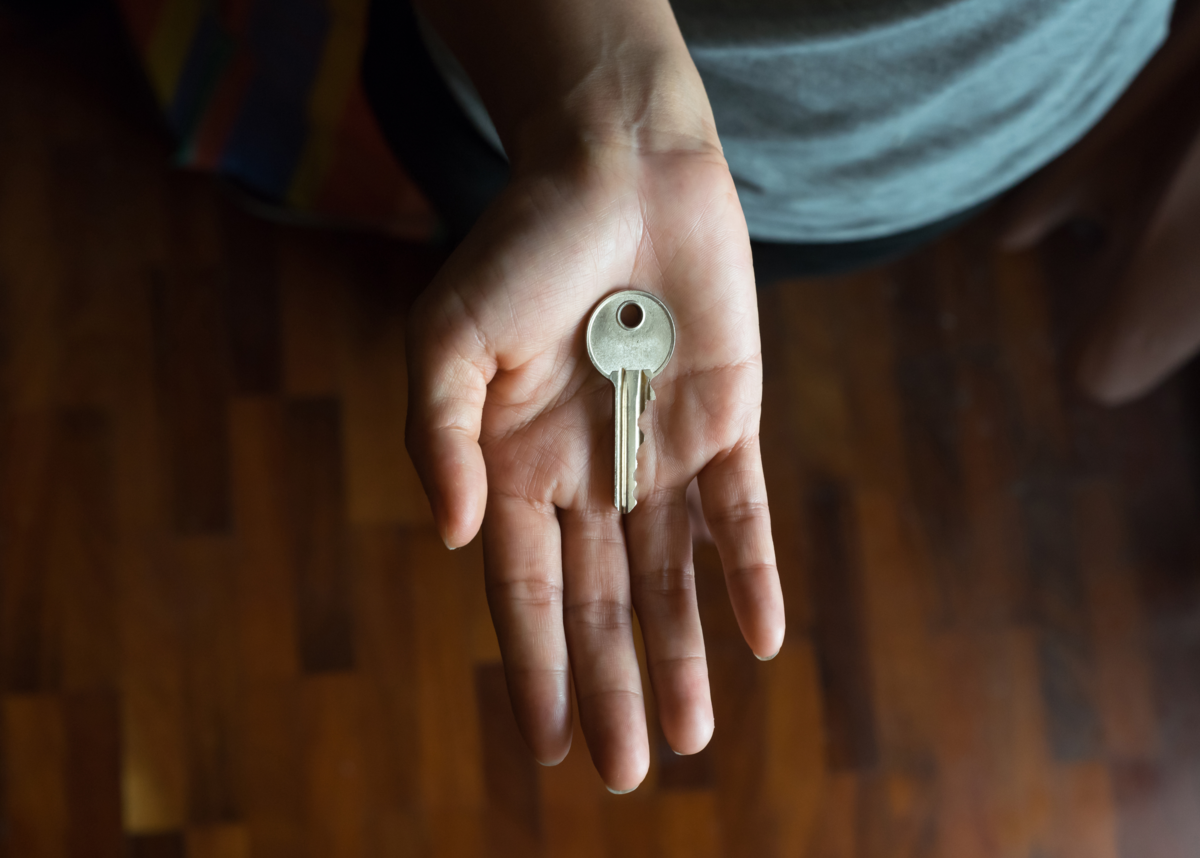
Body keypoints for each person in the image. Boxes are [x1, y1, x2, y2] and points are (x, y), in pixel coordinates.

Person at [362, 0, 1187, 794]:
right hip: (534, 70)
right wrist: (604, 103)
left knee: (760, 263)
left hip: (950, 151)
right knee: (478, 217)